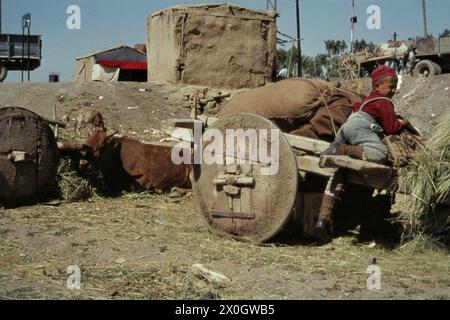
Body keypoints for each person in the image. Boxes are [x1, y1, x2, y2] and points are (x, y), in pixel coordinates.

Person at [314, 65, 409, 243]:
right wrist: (402, 123)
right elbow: (391, 128)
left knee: (340, 169)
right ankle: (341, 149)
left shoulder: (367, 100)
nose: (394, 90)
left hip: (347, 128)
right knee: (379, 153)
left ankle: (323, 218)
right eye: (391, 87)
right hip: (361, 128)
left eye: (395, 86)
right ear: (377, 87)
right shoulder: (385, 102)